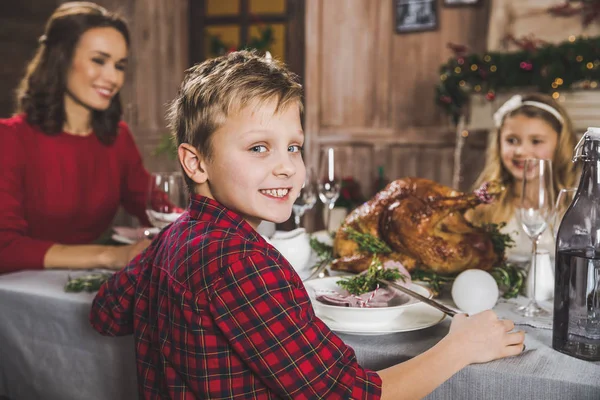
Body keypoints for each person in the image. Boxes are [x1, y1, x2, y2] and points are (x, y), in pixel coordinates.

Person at [90, 50, 525, 399]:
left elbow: (106, 313)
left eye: (294, 147)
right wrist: (461, 346)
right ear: (195, 162)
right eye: (259, 147)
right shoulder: (242, 261)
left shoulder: (179, 233)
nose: (286, 168)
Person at [0, 2, 151, 274]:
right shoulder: (9, 139)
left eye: (119, 65)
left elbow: (156, 205)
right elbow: (4, 248)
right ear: (61, 58)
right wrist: (110, 256)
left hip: (84, 288)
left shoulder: (118, 138)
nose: (112, 77)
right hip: (18, 296)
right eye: (98, 60)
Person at [469, 93, 580, 262]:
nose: (520, 151)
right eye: (511, 140)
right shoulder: (485, 209)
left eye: (536, 141)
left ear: (560, 145)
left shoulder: (575, 206)